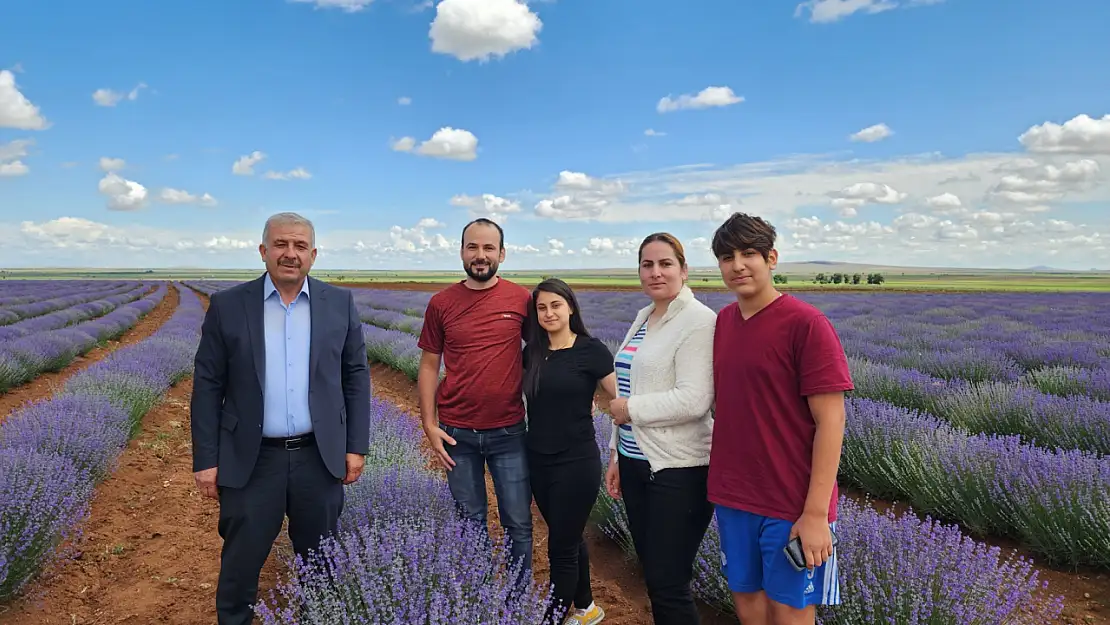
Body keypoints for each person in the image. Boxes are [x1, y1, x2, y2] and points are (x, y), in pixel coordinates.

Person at [190, 211, 371, 625]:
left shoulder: (339, 303)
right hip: (251, 460)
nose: (291, 254)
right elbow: (207, 386)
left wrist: (355, 446)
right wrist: (206, 459)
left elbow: (356, 377)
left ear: (313, 254)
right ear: (263, 251)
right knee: (241, 565)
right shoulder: (228, 305)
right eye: (281, 245)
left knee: (321, 567)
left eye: (300, 246)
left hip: (318, 457)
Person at [707, 212, 853, 625]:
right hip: (734, 495)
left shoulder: (807, 325)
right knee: (748, 604)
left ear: (772, 258)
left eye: (748, 253)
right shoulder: (724, 322)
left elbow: (832, 422)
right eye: (726, 256)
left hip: (790, 502)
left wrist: (815, 514)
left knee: (790, 611)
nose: (737, 265)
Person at [603, 232, 717, 625]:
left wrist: (628, 409)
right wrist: (617, 454)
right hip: (638, 464)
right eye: (647, 264)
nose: (656, 272)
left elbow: (694, 399)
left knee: (669, 582)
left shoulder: (699, 321)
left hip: (679, 470)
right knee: (655, 576)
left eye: (665, 264)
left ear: (684, 271)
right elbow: (633, 384)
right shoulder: (645, 316)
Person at [416, 217, 534, 578]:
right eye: (472, 247)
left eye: (488, 248)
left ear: (502, 253)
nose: (480, 255)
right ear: (462, 252)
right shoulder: (441, 303)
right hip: (457, 434)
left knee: (518, 523)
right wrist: (429, 424)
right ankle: (480, 596)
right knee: (471, 523)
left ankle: (515, 602)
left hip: (509, 433)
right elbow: (428, 364)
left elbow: (547, 352)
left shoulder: (522, 299)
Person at [521, 278, 617, 625]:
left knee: (560, 546)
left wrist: (619, 451)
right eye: (541, 307)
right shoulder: (531, 351)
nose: (548, 313)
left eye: (555, 305)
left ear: (570, 307)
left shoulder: (592, 350)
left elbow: (621, 399)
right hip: (538, 460)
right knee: (568, 534)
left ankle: (553, 618)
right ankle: (588, 608)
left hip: (576, 461)